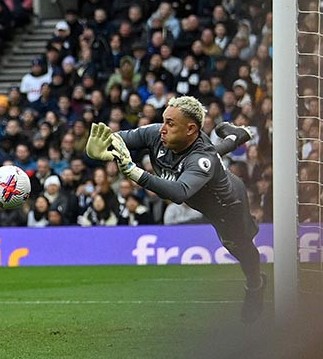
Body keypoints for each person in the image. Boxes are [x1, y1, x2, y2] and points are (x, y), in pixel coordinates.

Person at [86, 97, 262, 321]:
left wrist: (133, 171)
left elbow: (179, 193)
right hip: (201, 176)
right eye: (163, 121)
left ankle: (256, 284)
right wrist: (99, 148)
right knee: (207, 157)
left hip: (227, 207)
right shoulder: (156, 134)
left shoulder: (202, 158)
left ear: (190, 129)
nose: (162, 128)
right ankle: (236, 136)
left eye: (170, 123)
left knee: (241, 249)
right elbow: (116, 140)